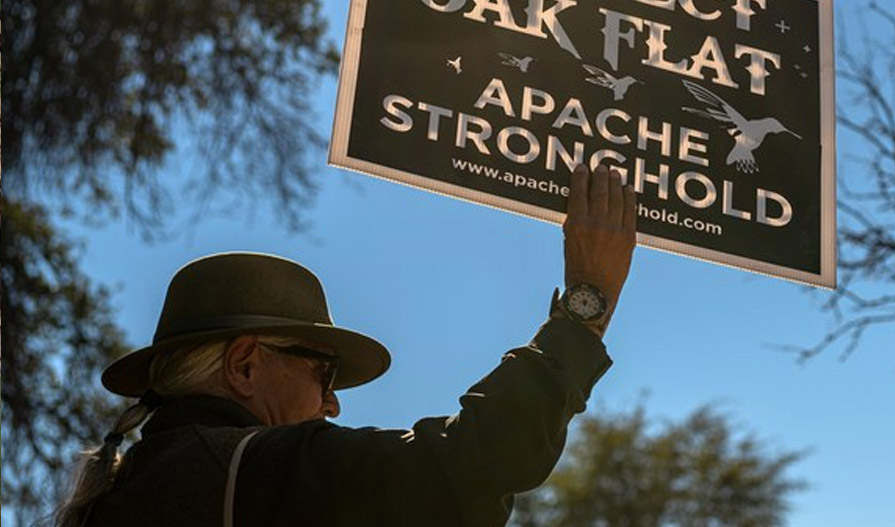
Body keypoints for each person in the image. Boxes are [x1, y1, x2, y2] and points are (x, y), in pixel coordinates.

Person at [56, 165, 637, 527]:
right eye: (324, 374)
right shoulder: (253, 471)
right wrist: (586, 304)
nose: (332, 405)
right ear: (245, 365)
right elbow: (475, 463)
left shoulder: (130, 489)